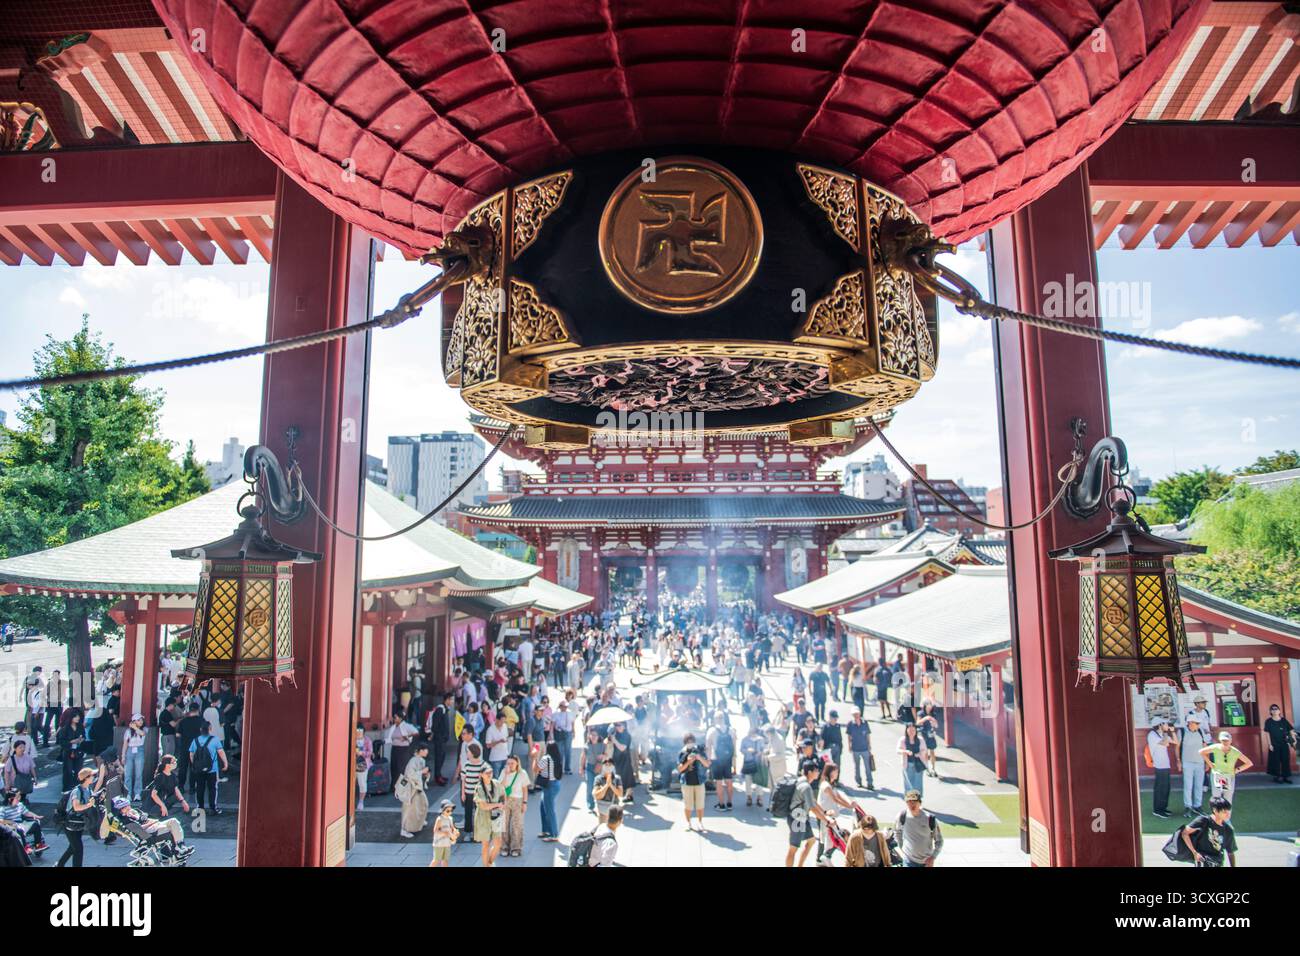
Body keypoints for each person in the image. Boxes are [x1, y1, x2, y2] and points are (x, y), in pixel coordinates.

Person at [784, 759, 827, 867]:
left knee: (811, 841)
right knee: (793, 848)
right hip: (797, 820)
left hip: (802, 818)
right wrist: (825, 820)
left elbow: (813, 801)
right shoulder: (806, 787)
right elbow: (812, 808)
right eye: (816, 770)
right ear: (810, 772)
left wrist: (824, 812)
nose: (818, 772)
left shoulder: (802, 781)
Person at [57, 766, 98, 867]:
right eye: (93, 775)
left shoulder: (88, 789)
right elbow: (76, 807)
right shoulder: (77, 791)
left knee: (73, 847)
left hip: (79, 823)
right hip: (71, 824)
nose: (94, 777)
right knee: (78, 849)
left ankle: (59, 864)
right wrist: (88, 805)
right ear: (86, 778)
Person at [815, 762, 854, 866]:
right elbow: (835, 799)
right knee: (827, 838)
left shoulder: (832, 784)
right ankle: (821, 858)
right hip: (825, 816)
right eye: (835, 771)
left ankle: (822, 858)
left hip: (830, 816)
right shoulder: (826, 785)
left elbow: (838, 796)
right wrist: (849, 806)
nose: (837, 773)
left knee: (831, 838)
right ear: (830, 772)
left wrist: (849, 803)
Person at [1180, 796, 1237, 867]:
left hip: (1217, 862)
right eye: (1224, 812)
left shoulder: (1228, 830)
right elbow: (1185, 833)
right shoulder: (1203, 821)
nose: (1228, 814)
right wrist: (1195, 853)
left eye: (1228, 811)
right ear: (1215, 810)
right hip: (1202, 860)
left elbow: (1230, 852)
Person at [896, 789, 943, 867]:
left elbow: (939, 840)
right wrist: (902, 848)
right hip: (909, 860)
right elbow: (897, 832)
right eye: (909, 802)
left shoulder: (929, 818)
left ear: (920, 803)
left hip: (926, 861)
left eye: (914, 802)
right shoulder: (902, 816)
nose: (911, 804)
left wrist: (933, 857)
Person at [1200, 731, 1251, 802]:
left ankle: (1227, 813)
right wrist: (1210, 764)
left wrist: (1237, 770)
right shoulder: (1216, 747)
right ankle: (1216, 813)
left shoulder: (1235, 751)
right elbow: (1201, 752)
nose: (1225, 742)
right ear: (1220, 740)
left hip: (1229, 775)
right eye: (1223, 740)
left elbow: (1249, 763)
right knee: (1216, 798)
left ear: (1231, 740)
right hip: (1218, 775)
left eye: (1227, 740)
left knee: (1227, 798)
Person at [189, 725, 228, 815]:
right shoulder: (215, 740)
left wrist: (195, 765)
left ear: (200, 730)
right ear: (210, 729)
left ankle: (200, 808)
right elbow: (221, 752)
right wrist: (225, 763)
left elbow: (191, 754)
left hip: (198, 770)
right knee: (213, 789)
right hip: (212, 769)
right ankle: (213, 808)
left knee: (199, 788)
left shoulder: (195, 740)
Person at [473, 761, 506, 866]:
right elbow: (484, 806)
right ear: (481, 775)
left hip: (496, 816)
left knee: (498, 843)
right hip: (483, 818)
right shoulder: (479, 788)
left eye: (491, 772)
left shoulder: (496, 783)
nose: (489, 774)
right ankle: (486, 865)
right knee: (486, 845)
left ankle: (489, 863)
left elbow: (503, 795)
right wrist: (497, 804)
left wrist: (502, 805)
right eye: (487, 773)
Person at [677, 732, 711, 831]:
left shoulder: (699, 751)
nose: (690, 744)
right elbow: (680, 769)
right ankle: (688, 823)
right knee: (688, 805)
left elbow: (707, 764)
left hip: (699, 781)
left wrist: (699, 758)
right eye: (688, 742)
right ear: (685, 743)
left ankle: (700, 822)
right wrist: (688, 762)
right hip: (687, 782)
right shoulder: (682, 753)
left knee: (700, 805)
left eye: (692, 742)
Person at [1180, 713, 1210, 817]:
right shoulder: (1182, 732)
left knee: (1199, 785)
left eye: (1198, 723)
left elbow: (1205, 748)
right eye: (1196, 723)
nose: (1198, 725)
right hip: (1187, 762)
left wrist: (1207, 762)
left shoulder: (1201, 732)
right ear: (1190, 723)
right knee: (1188, 786)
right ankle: (1188, 806)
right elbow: (1177, 747)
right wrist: (1178, 760)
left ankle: (1198, 806)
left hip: (1200, 762)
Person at [499, 753, 530, 858]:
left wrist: (525, 803)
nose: (510, 765)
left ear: (517, 763)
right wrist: (506, 774)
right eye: (508, 763)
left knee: (517, 824)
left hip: (518, 800)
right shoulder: (504, 772)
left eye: (512, 763)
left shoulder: (522, 773)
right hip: (506, 800)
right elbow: (500, 787)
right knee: (504, 824)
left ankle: (516, 848)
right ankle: (504, 847)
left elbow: (525, 789)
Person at [1146, 720, 1178, 818]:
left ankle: (1163, 808)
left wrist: (1172, 732)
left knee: (1166, 788)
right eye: (1165, 724)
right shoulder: (1152, 735)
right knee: (1160, 788)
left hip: (1165, 765)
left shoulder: (1163, 734)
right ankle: (1157, 810)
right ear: (1160, 725)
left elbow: (1176, 742)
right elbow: (1165, 743)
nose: (1167, 725)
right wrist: (1165, 734)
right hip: (1159, 766)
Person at [398, 741, 430, 838]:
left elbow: (418, 773)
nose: (427, 752)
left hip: (417, 787)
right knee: (409, 809)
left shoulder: (421, 760)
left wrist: (425, 774)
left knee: (423, 804)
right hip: (411, 787)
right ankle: (404, 829)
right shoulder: (413, 761)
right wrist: (422, 772)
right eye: (425, 750)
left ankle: (420, 820)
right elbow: (410, 774)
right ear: (420, 751)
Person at [146, 755, 190, 822]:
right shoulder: (160, 777)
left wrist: (183, 801)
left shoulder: (173, 776)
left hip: (165, 803)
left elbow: (176, 789)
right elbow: (153, 795)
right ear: (167, 765)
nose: (175, 763)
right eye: (173, 762)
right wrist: (162, 806)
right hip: (154, 806)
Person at [457, 741, 486, 843]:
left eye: (468, 752)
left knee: (479, 814)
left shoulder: (482, 765)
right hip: (468, 793)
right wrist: (463, 793)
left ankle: (477, 834)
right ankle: (468, 833)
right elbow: (463, 779)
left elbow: (484, 780)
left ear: (473, 753)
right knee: (468, 813)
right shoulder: (467, 765)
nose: (467, 754)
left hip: (478, 794)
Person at [706, 712, 735, 811]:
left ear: (715, 719)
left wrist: (708, 759)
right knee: (729, 781)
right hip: (728, 759)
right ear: (724, 718)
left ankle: (721, 805)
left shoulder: (712, 730)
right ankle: (730, 803)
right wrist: (734, 763)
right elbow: (734, 747)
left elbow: (708, 746)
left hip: (716, 759)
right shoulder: (731, 730)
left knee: (719, 782)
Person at [532, 742, 561, 841]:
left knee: (549, 810)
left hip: (549, 786)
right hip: (555, 784)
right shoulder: (557, 757)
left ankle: (554, 834)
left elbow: (535, 769)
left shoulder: (546, 758)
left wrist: (535, 757)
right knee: (543, 807)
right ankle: (546, 830)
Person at [425, 692, 453, 785]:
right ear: (447, 699)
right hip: (439, 738)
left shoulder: (445, 709)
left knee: (442, 757)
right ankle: (437, 777)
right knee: (438, 757)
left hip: (443, 739)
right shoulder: (440, 709)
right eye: (451, 699)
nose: (452, 701)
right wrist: (439, 735)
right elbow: (435, 725)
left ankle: (439, 774)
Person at [1263, 703, 1295, 783]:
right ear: (1270, 711)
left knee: (1285, 760)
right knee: (1275, 761)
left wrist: (1293, 740)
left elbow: (1291, 729)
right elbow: (1267, 733)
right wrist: (1269, 744)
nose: (1274, 710)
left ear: (1279, 711)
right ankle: (1277, 777)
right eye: (1272, 709)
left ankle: (1286, 777)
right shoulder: (1268, 721)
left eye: (1276, 709)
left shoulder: (1284, 720)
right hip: (1274, 744)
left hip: (1284, 743)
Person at [56, 710, 87, 792]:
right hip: (68, 751)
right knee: (68, 770)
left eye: (78, 716)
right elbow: (61, 741)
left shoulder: (80, 727)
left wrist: (81, 740)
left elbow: (84, 736)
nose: (78, 718)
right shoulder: (65, 728)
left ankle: (76, 787)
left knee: (78, 770)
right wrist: (72, 741)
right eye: (75, 716)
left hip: (78, 750)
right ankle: (67, 788)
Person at [121, 713, 148, 803]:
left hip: (139, 750)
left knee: (138, 773)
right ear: (133, 721)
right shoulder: (128, 731)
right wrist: (123, 756)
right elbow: (125, 744)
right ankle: (128, 793)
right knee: (128, 773)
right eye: (138, 720)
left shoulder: (144, 729)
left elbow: (143, 734)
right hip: (130, 750)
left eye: (141, 720)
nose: (140, 722)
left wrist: (135, 727)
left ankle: (137, 793)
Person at [897, 723, 929, 797]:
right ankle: (910, 802)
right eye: (910, 729)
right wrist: (905, 752)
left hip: (918, 764)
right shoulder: (903, 739)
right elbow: (898, 750)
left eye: (913, 730)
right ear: (906, 730)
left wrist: (920, 753)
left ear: (916, 731)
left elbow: (925, 750)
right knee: (908, 784)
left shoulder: (920, 739)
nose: (911, 731)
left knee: (918, 784)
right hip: (907, 764)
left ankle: (918, 802)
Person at [846, 708, 874, 790]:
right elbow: (849, 736)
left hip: (865, 748)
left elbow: (868, 735)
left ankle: (870, 783)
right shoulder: (850, 724)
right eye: (854, 714)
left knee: (867, 766)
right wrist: (849, 746)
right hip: (855, 748)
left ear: (860, 713)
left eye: (857, 714)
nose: (856, 716)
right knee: (857, 766)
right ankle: (858, 782)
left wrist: (869, 745)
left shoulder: (865, 723)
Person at [740, 725, 767, 807]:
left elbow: (764, 749)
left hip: (758, 763)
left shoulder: (760, 740)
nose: (751, 734)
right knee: (748, 780)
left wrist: (761, 753)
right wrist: (747, 751)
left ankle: (759, 798)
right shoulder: (744, 739)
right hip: (748, 762)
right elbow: (741, 749)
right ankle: (749, 797)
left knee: (759, 781)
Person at [592, 757, 624, 822]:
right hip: (602, 810)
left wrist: (611, 785)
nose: (608, 767)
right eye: (606, 765)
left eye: (610, 765)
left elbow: (620, 794)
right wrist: (606, 785)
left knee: (612, 830)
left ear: (613, 767)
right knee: (602, 828)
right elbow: (596, 795)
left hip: (614, 809)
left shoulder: (617, 778)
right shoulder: (598, 779)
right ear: (602, 766)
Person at [430, 798, 459, 867]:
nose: (450, 812)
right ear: (442, 811)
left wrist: (455, 831)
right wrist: (445, 833)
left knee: (445, 860)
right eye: (448, 811)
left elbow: (452, 828)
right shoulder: (440, 819)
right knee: (436, 860)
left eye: (451, 810)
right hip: (439, 843)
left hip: (447, 843)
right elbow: (435, 830)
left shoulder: (450, 818)